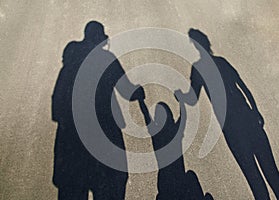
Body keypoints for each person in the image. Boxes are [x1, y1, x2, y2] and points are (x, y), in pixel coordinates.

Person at [175, 28, 279, 200]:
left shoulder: (199, 69)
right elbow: (243, 87)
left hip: (231, 127)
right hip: (248, 118)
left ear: (195, 45)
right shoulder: (221, 62)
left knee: (254, 179)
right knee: (273, 174)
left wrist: (179, 96)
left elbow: (192, 99)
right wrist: (255, 110)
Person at [52, 21, 144, 200]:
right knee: (111, 189)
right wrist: (139, 91)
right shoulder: (106, 59)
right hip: (103, 134)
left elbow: (56, 108)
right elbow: (128, 91)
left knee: (72, 191)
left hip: (71, 139)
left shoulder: (68, 67)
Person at [139, 100, 213, 200]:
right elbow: (184, 119)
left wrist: (141, 101)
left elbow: (146, 118)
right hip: (165, 181)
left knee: (190, 175)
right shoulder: (175, 131)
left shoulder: (156, 133)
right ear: (172, 118)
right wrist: (182, 103)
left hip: (164, 178)